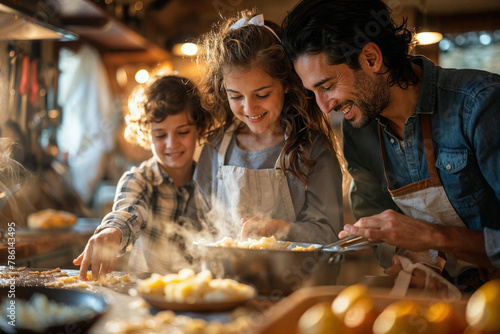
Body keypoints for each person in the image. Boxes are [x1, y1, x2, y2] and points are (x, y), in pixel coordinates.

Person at [282, 0, 500, 290]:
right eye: (313, 93)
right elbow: (374, 219)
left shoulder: (481, 105)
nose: (324, 107)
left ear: (371, 58)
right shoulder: (359, 131)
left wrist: (433, 237)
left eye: (328, 86)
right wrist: (410, 261)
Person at [194, 10, 343, 244]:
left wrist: (281, 230)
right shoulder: (214, 149)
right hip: (227, 280)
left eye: (262, 94)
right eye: (236, 96)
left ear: (286, 84)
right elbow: (199, 230)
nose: (249, 107)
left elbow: (330, 235)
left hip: (296, 280)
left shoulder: (313, 151)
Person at [74, 75, 212, 279]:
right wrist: (112, 231)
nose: (171, 144)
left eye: (182, 132)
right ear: (147, 134)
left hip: (199, 294)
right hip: (147, 293)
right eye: (160, 135)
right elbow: (127, 212)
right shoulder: (139, 180)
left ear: (198, 130)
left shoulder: (212, 181)